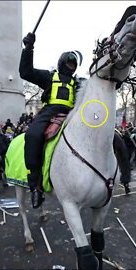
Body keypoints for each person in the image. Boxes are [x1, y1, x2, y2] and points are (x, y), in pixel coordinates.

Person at [19, 31, 82, 208]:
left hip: (73, 113)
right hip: (50, 111)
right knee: (32, 135)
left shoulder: (79, 83)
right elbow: (26, 72)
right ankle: (35, 186)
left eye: (74, 63)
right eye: (69, 62)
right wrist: (28, 48)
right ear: (62, 62)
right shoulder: (49, 76)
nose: (71, 65)